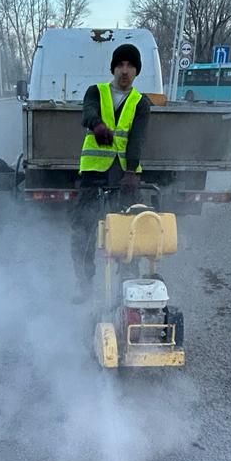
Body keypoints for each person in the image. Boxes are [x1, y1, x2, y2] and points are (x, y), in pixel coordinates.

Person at [70, 42, 151, 300]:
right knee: (83, 230)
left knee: (129, 230)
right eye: (120, 65)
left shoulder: (141, 102)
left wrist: (131, 172)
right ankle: (84, 286)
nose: (125, 70)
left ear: (137, 71)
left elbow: (137, 139)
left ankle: (127, 283)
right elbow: (88, 112)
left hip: (124, 177)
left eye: (130, 66)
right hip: (93, 174)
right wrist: (96, 125)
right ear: (113, 68)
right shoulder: (96, 91)